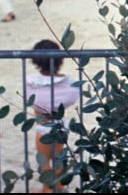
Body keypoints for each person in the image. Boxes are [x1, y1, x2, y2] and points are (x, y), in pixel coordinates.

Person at [25, 39, 80, 193]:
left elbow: (29, 100)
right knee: (58, 159)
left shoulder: (31, 82)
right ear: (60, 59)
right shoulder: (68, 83)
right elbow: (73, 95)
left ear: (36, 61)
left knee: (44, 161)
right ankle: (58, 187)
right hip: (60, 124)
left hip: (43, 126)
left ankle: (48, 189)